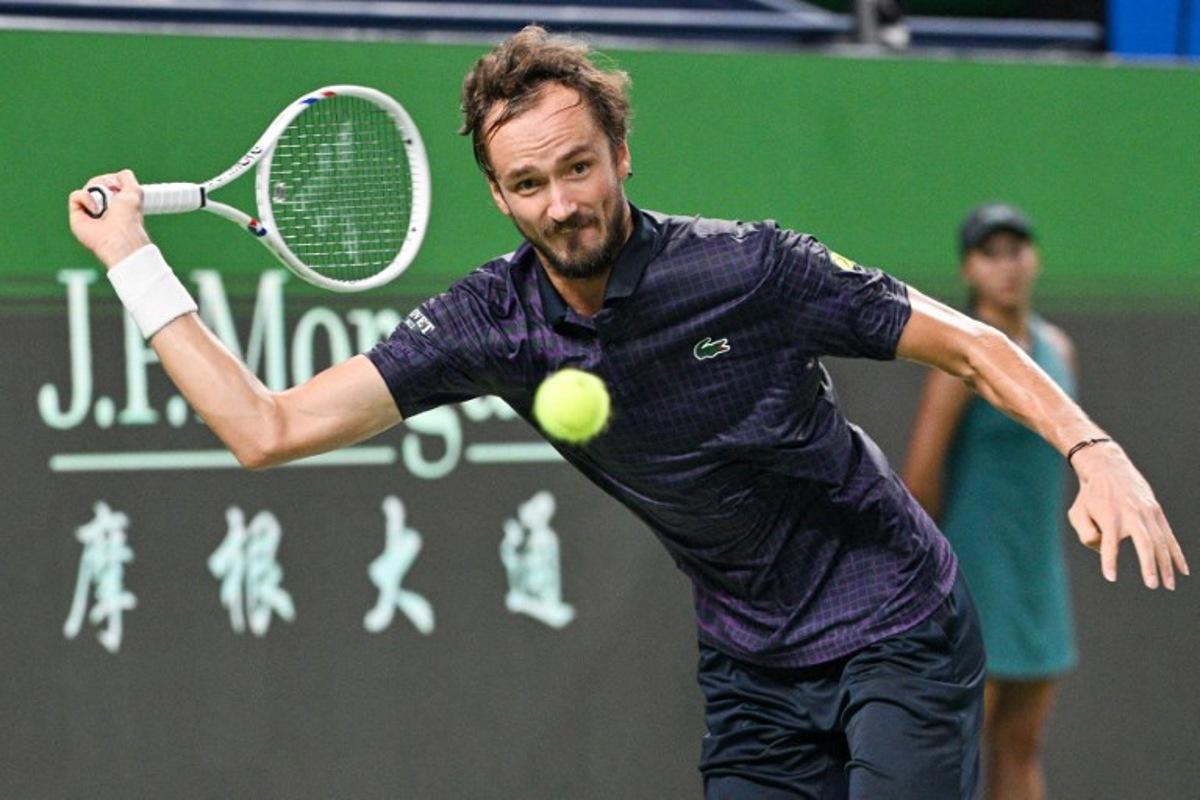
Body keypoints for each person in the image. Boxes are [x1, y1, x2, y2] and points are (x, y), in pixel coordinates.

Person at [67, 26, 1186, 800]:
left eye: (579, 167)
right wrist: (132, 263)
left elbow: (976, 345)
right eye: (529, 184)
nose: (562, 205)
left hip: (894, 624)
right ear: (498, 194)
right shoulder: (488, 323)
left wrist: (1094, 446)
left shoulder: (751, 269)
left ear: (620, 154)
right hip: (751, 663)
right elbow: (266, 427)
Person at [903, 205, 1078, 800]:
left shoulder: (1058, 349)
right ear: (969, 270)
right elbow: (921, 477)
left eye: (1016, 250)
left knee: (1022, 744)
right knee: (960, 748)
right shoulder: (960, 360)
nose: (1007, 266)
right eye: (990, 253)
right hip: (974, 578)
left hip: (1036, 578)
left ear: (1035, 259)